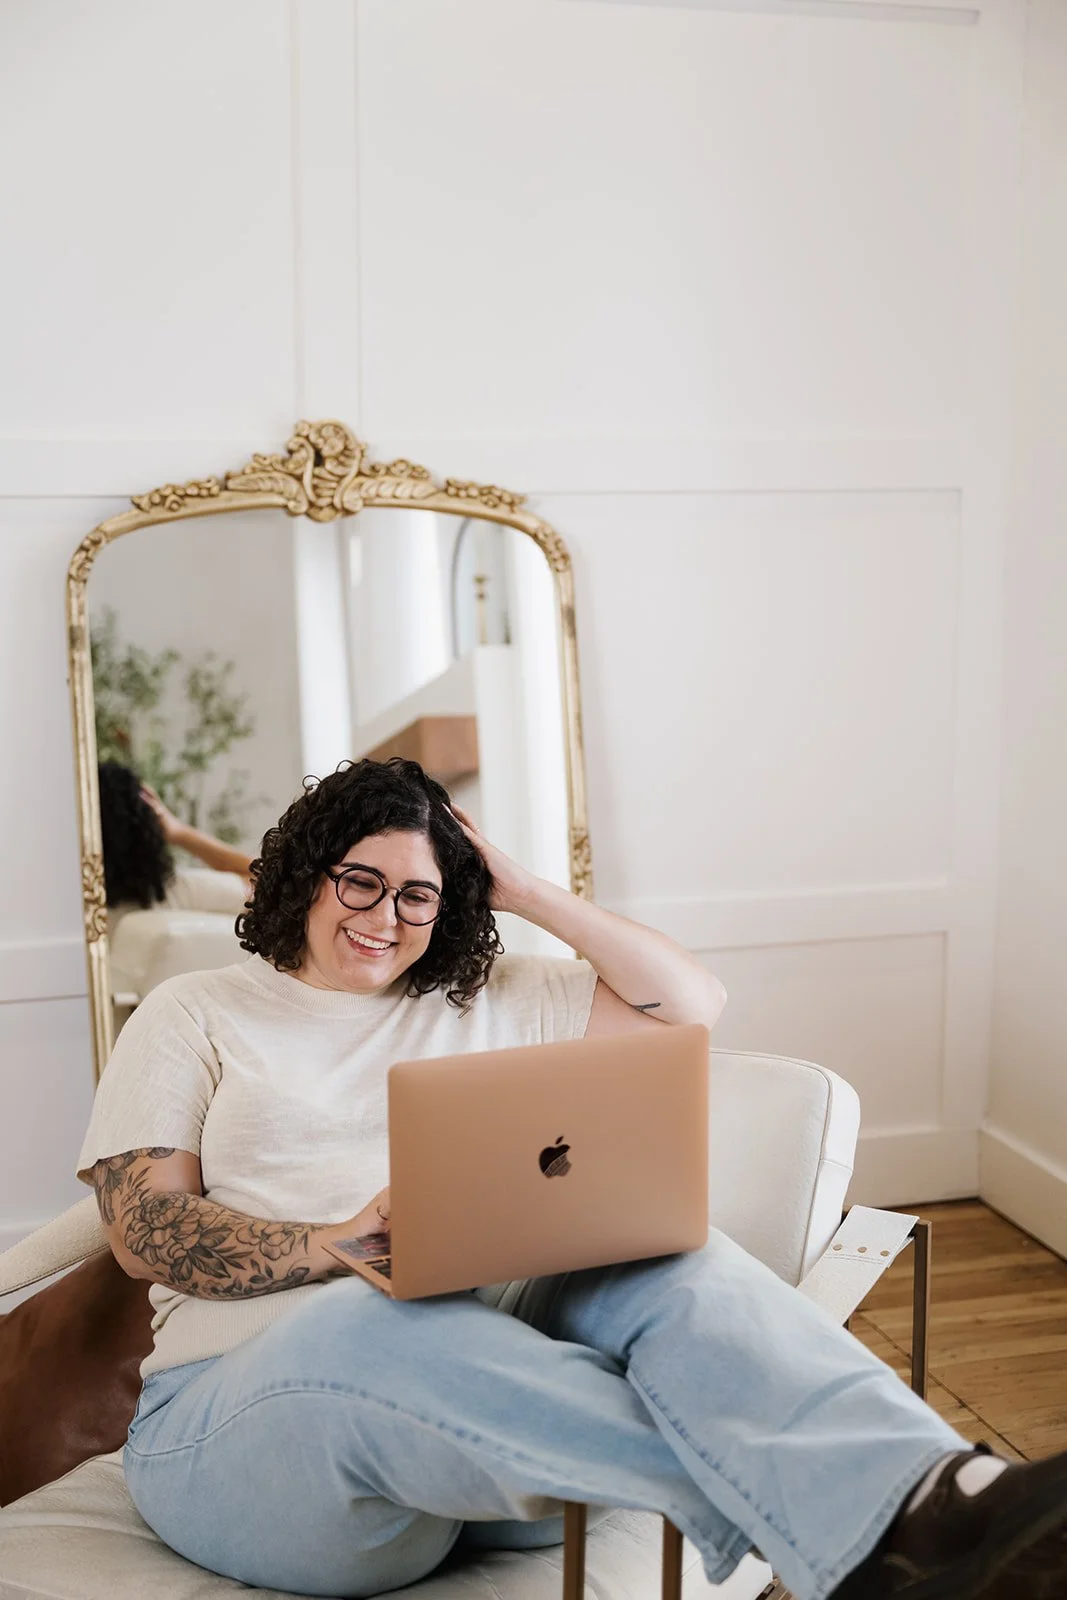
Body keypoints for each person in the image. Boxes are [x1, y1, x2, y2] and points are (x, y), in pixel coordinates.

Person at [76, 758, 1067, 1600]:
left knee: (660, 1255)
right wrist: (333, 1246)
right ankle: (854, 1511)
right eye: (359, 882)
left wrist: (521, 886)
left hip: (485, 1449)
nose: (386, 915)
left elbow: (686, 1002)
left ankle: (944, 1503)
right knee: (363, 1322)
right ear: (302, 875)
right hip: (243, 1437)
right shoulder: (194, 1010)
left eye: (418, 893)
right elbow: (144, 1228)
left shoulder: (486, 995)